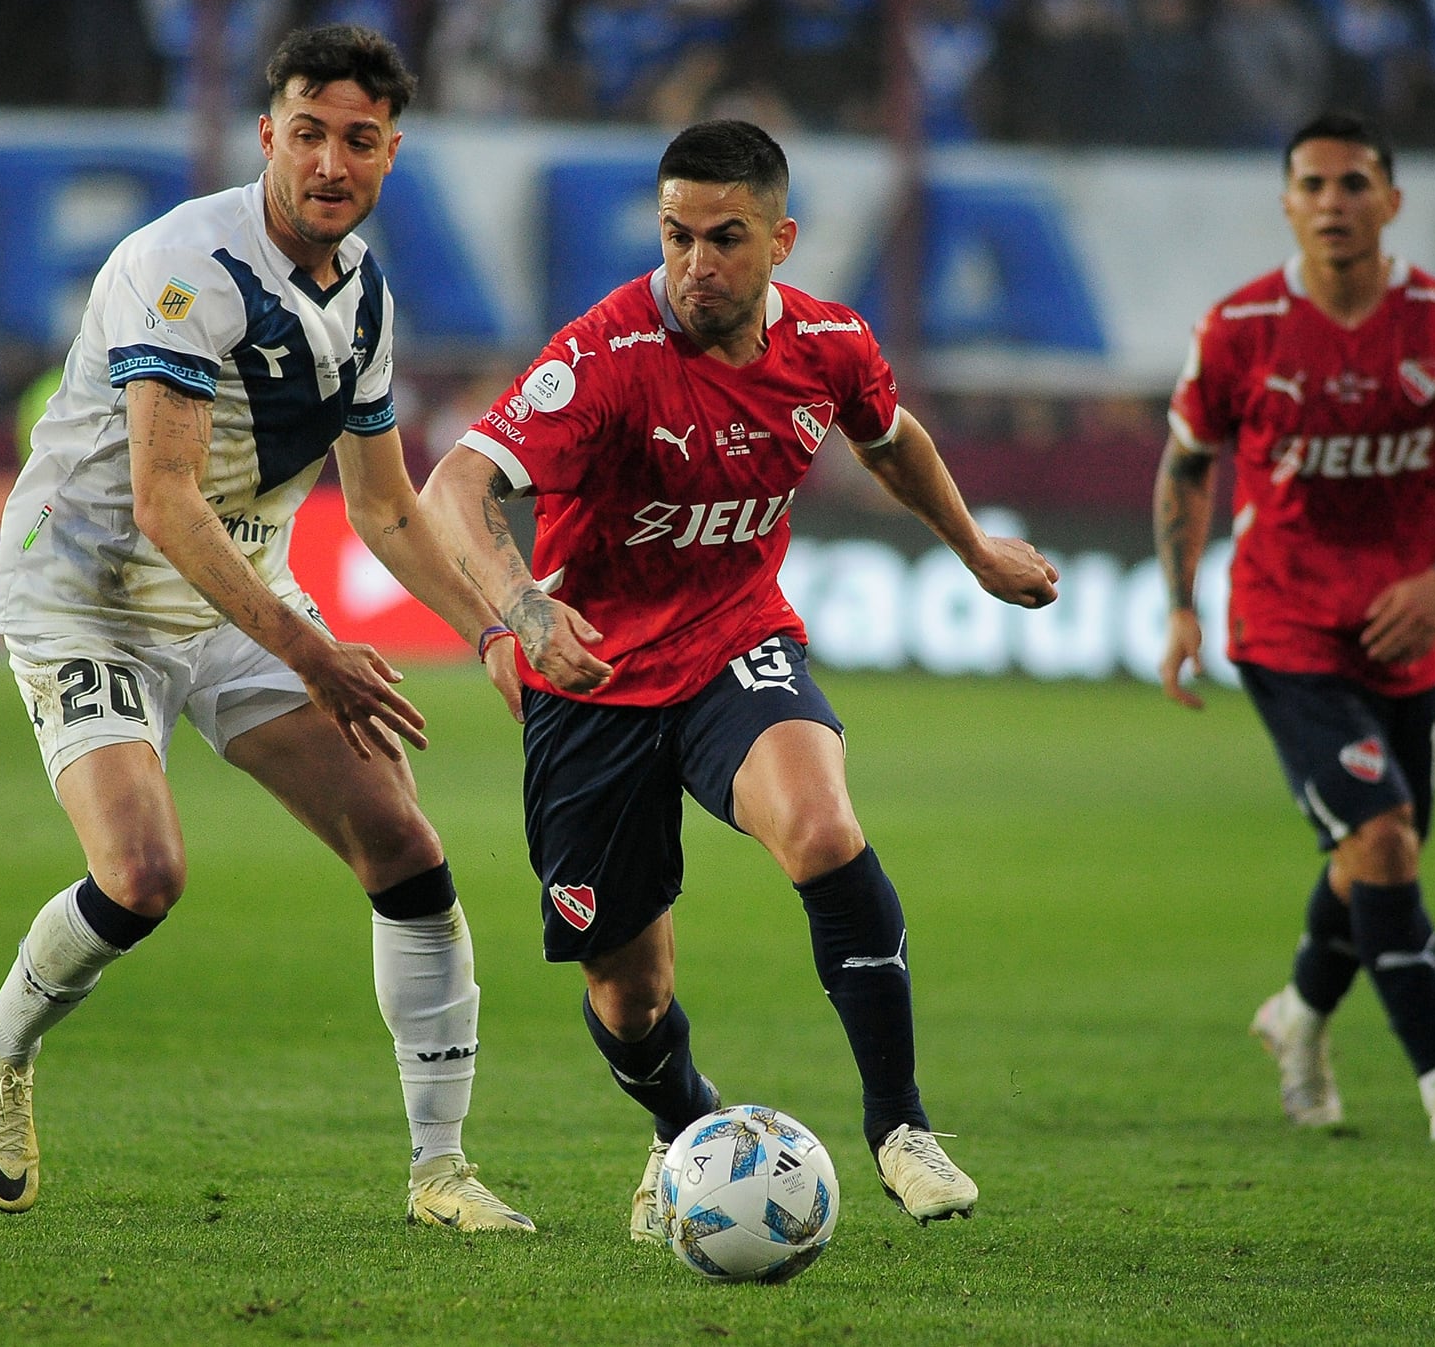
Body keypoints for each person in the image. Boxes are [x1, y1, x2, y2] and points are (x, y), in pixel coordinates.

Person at [420, 119, 1060, 1237]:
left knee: (820, 827)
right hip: (594, 680)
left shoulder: (830, 342)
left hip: (734, 642)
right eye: (676, 236)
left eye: (725, 239)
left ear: (780, 240)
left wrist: (973, 546)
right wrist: (521, 611)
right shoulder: (604, 358)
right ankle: (684, 1132)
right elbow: (455, 485)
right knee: (630, 993)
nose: (695, 265)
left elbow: (889, 433)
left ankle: (901, 1129)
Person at [0, 24, 536, 1232]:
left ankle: (441, 1171)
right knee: (144, 874)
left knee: (407, 849)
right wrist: (314, 651)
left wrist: (497, 632)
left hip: (239, 597)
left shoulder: (366, 292)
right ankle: (0, 1041)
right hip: (92, 598)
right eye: (309, 134)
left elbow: (383, 508)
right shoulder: (181, 266)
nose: (331, 162)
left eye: (360, 141)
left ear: (390, 155)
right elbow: (168, 506)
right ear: (268, 135)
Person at [1153, 110, 1435, 1142]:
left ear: (1392, 202)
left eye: (1354, 184)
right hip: (1284, 626)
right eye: (1313, 185)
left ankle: (1301, 1017)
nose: (1333, 202)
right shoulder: (1239, 330)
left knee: (1375, 852)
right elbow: (1188, 465)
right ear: (1286, 204)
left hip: (1404, 630)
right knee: (1383, 836)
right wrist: (1184, 606)